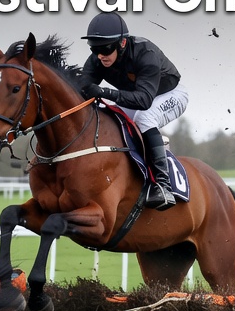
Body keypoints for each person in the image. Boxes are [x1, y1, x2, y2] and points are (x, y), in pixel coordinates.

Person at [78, 12, 189, 211]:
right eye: (94, 49)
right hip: (136, 96)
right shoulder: (98, 59)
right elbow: (81, 88)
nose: (100, 55)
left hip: (169, 94)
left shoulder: (145, 54)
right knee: (106, 115)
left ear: (122, 43)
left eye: (105, 48)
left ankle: (162, 185)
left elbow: (144, 100)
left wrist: (104, 92)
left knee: (145, 118)